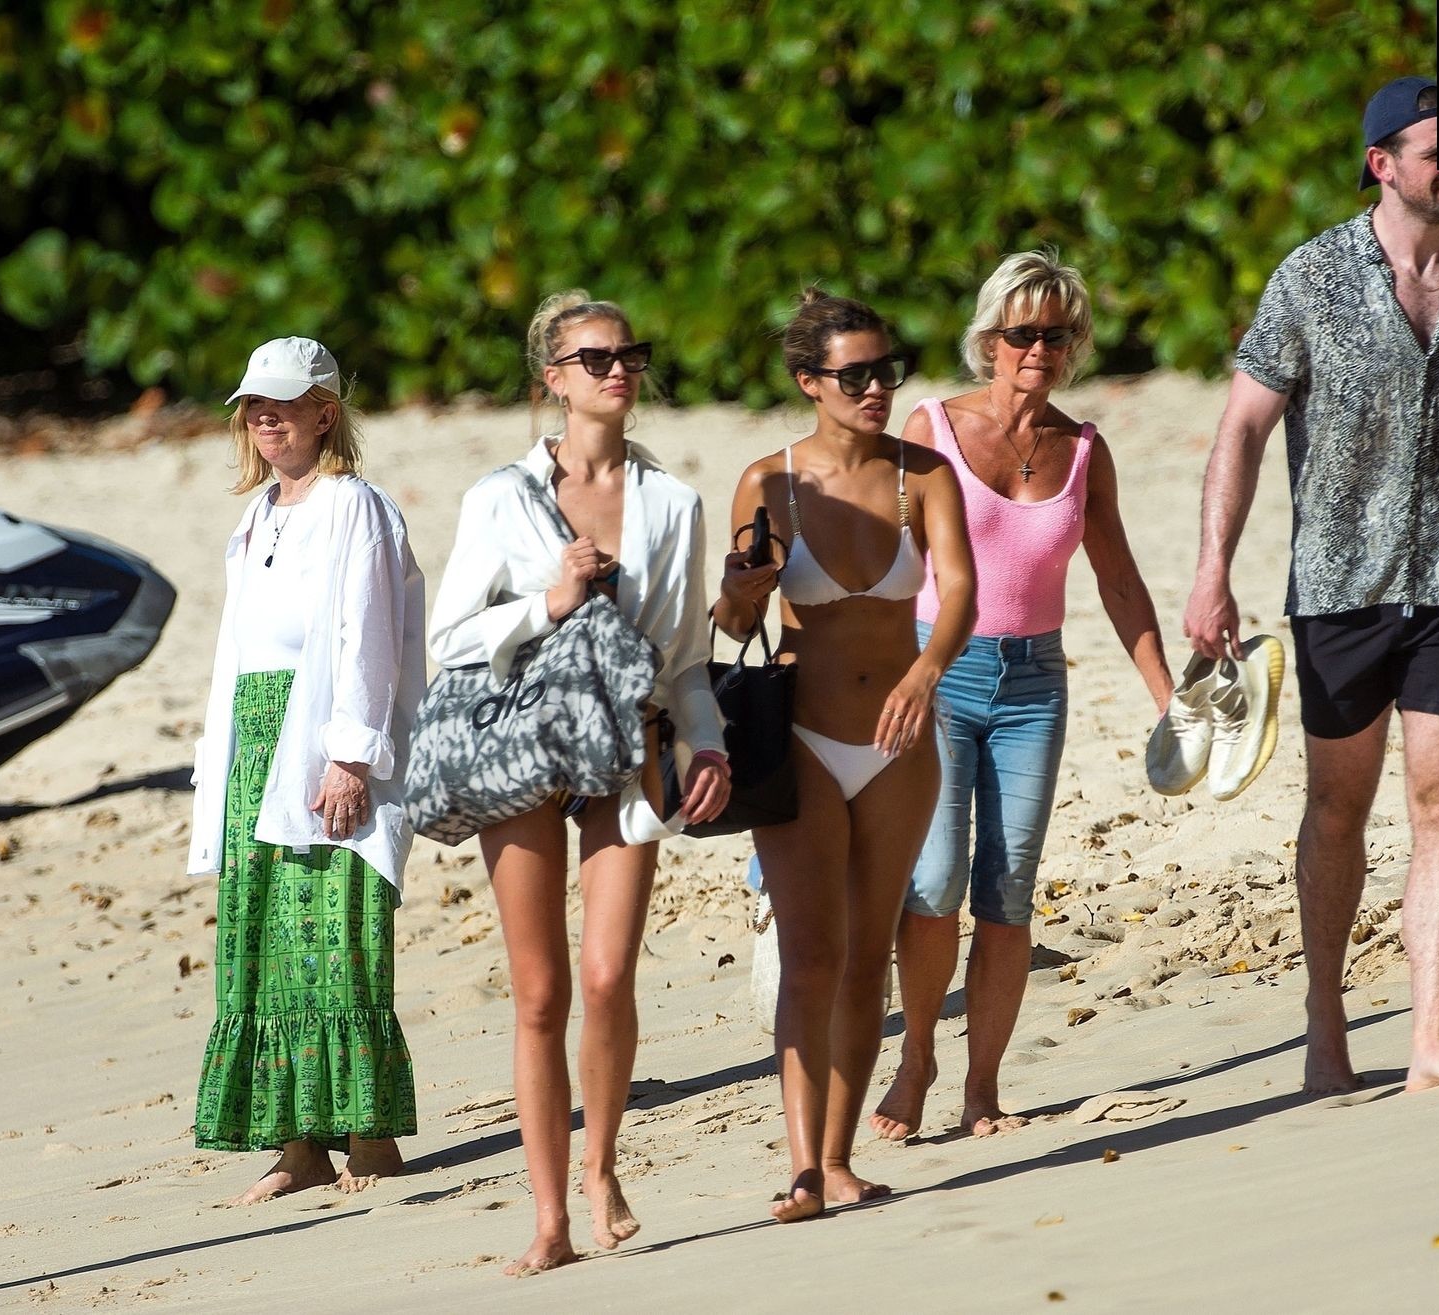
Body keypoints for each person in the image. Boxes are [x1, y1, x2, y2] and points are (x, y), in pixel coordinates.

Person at [1182, 76, 1439, 1095]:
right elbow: (1243, 427)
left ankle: (1430, 1038)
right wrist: (1212, 569)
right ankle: (1326, 1026)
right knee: (1336, 807)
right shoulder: (1310, 278)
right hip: (1339, 589)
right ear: (1382, 163)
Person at [428, 292, 731, 1274]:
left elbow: (687, 658)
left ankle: (602, 1168)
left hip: (629, 752)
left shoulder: (674, 504)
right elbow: (449, 638)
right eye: (595, 358)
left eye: (629, 354)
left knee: (606, 977)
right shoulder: (498, 498)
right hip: (520, 750)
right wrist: (547, 602)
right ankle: (550, 1217)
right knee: (540, 991)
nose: (618, 370)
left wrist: (709, 744)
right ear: (552, 379)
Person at [870, 251, 1174, 1142]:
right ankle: (917, 1057)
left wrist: (1168, 698)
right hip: (938, 673)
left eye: (1058, 333)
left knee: (1007, 890)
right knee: (934, 879)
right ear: (989, 339)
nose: (1040, 347)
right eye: (1023, 332)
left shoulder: (1084, 451)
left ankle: (983, 1088)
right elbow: (889, 567)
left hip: (1035, 684)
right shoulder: (931, 427)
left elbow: (1119, 580)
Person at [714, 290, 975, 1221]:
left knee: (869, 958)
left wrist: (926, 673)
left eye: (885, 370)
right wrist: (741, 592)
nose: (875, 388)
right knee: (810, 954)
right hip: (804, 738)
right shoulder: (769, 481)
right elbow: (734, 620)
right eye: (854, 374)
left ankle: (836, 1159)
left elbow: (960, 593)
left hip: (900, 740)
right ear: (808, 382)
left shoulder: (923, 474)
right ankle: (799, 1168)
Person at [188, 336, 426, 1204]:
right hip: (255, 742)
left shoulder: (353, 504)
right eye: (254, 405)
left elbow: (369, 635)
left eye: (282, 404)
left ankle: (369, 1136)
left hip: (321, 735)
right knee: (264, 942)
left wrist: (350, 755)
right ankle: (298, 1146)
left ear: (325, 413)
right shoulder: (257, 516)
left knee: (336, 934)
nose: (264, 418)